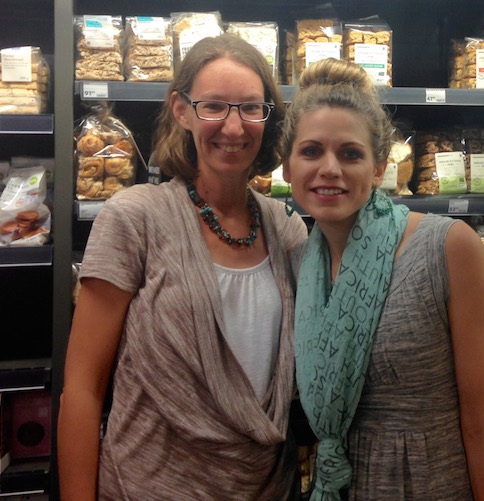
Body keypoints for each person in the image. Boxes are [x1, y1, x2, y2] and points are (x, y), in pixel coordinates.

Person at [57, 33, 307, 500]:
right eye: (214, 106)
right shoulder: (135, 218)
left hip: (266, 486)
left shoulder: (287, 230)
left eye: (250, 108)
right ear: (181, 110)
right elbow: (82, 391)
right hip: (147, 485)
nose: (234, 128)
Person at [281, 58, 484, 500]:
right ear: (288, 167)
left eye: (350, 153)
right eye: (311, 151)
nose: (329, 168)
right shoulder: (298, 264)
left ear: (378, 167)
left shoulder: (447, 248)